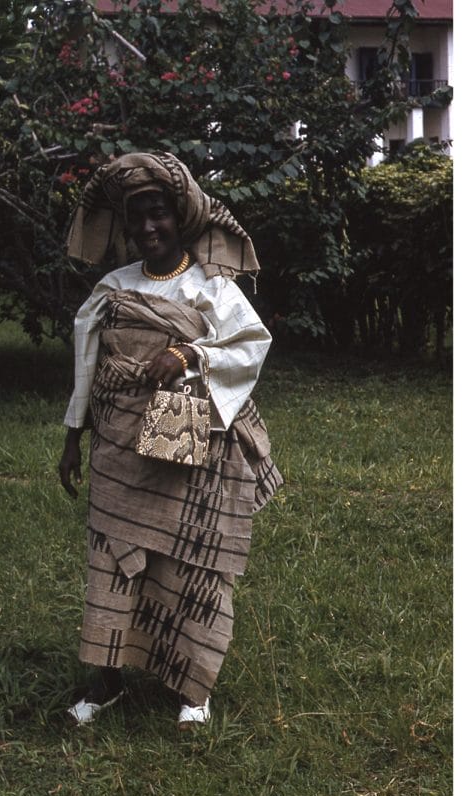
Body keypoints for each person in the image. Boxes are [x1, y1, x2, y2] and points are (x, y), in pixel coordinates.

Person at [57, 151, 282, 730]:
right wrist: (72, 439)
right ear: (125, 227)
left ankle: (194, 689)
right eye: (137, 218)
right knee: (110, 561)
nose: (149, 228)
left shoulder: (211, 285)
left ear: (179, 217)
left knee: (192, 565)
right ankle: (107, 681)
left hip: (190, 451)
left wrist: (188, 352)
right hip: (117, 455)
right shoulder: (113, 287)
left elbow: (250, 344)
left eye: (158, 214)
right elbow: (88, 365)